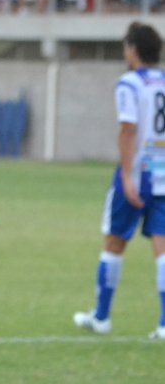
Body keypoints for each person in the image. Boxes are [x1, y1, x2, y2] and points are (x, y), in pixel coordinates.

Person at [74, 21, 165, 341]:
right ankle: (164, 324)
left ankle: (101, 317)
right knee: (162, 248)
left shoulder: (130, 83)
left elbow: (128, 128)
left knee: (114, 241)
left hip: (138, 173)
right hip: (162, 172)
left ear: (133, 49)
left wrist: (127, 175)